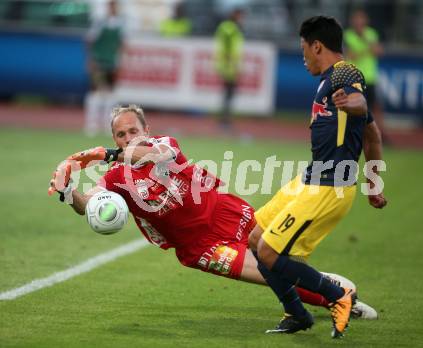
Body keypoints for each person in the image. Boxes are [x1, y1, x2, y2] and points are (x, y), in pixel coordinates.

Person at [48, 104, 377, 319]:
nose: (127, 137)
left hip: (226, 212)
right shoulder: (115, 177)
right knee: (264, 273)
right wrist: (68, 192)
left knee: (277, 261)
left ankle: (323, 288)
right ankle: (338, 299)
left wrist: (104, 153)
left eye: (133, 131)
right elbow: (90, 204)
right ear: (114, 138)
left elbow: (153, 156)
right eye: (120, 135)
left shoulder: (165, 145)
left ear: (146, 130)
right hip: (201, 247)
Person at [247, 16, 387, 338]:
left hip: (331, 185)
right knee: (256, 239)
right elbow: (373, 135)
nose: (303, 56)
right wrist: (375, 185)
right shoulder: (326, 81)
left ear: (317, 46)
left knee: (269, 253)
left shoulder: (343, 73)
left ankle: (338, 296)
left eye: (304, 49)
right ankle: (297, 314)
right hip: (312, 178)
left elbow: (359, 101)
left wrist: (353, 102)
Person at [344, 10, 388, 143]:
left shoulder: (371, 33)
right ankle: (351, 135)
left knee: (376, 107)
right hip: (354, 78)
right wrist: (367, 48)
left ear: (365, 21)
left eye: (361, 20)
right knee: (353, 107)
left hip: (370, 77)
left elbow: (379, 51)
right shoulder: (348, 35)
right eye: (356, 20)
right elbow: (351, 55)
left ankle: (381, 135)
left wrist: (365, 48)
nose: (359, 23)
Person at [84, 0, 124, 137]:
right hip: (99, 61)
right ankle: (91, 124)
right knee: (96, 91)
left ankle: (109, 124)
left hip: (112, 62)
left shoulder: (120, 24)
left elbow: (121, 45)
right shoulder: (99, 23)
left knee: (111, 93)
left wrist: (120, 62)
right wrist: (91, 59)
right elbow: (89, 41)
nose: (114, 8)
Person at [214, 8, 244, 130]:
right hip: (229, 66)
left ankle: (225, 118)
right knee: (229, 92)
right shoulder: (230, 28)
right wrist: (230, 65)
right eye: (240, 15)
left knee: (229, 93)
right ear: (235, 15)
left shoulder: (229, 27)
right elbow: (227, 47)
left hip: (229, 64)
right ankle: (224, 120)